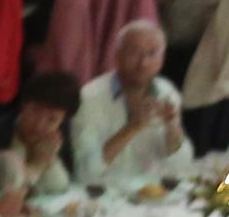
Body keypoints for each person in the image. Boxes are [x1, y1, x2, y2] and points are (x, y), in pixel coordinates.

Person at [70, 21, 189, 194]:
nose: (143, 63)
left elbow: (182, 165)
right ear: (117, 55)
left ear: (162, 59)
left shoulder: (167, 92)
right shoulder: (89, 97)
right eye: (135, 53)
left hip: (153, 193)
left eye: (152, 54)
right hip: (105, 194)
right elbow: (85, 172)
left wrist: (173, 128)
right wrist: (132, 127)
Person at [0, 68, 82, 199]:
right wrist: (38, 164)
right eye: (35, 111)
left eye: (52, 119)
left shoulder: (56, 137)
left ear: (62, 122)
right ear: (23, 105)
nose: (39, 125)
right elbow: (1, 196)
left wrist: (50, 159)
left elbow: (61, 187)